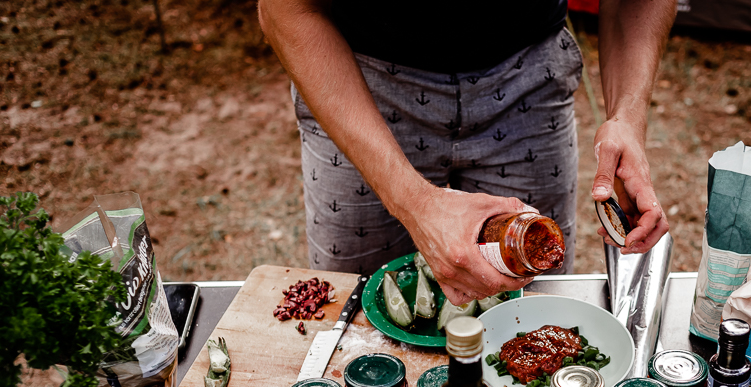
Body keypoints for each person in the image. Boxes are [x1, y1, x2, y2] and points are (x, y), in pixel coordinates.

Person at [258, 0, 674, 305]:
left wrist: (627, 117)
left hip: (527, 76)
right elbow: (287, 9)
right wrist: (414, 203)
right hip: (356, 76)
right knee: (356, 313)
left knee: (532, 301)